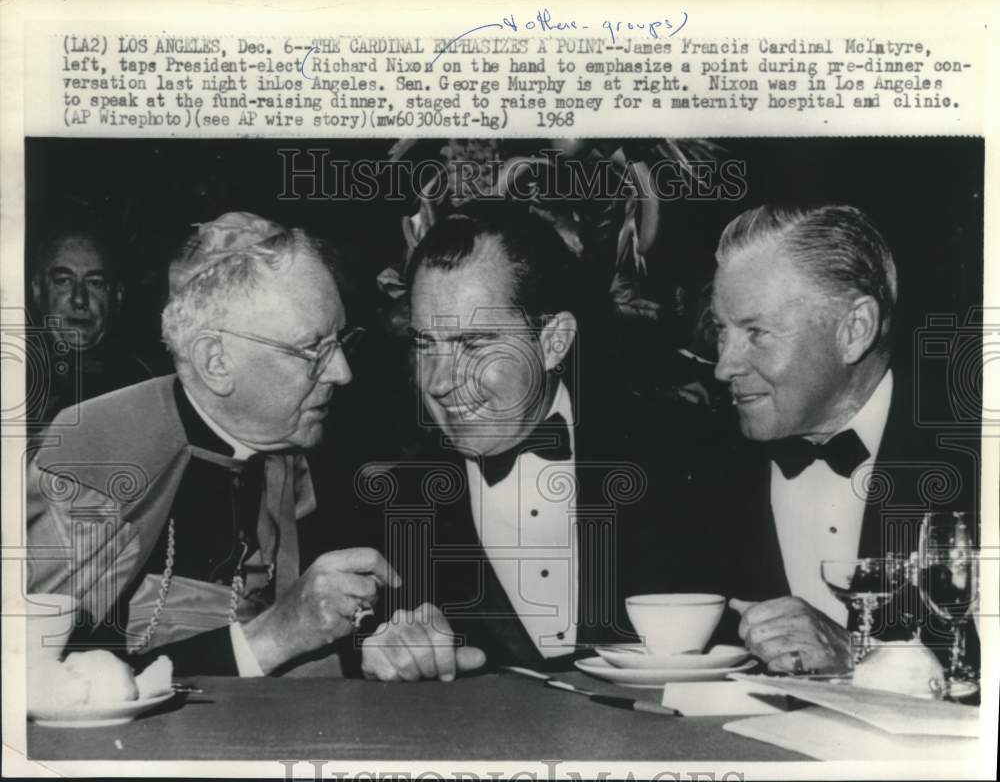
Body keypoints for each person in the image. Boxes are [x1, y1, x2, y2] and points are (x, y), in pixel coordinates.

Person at [27, 211, 399, 676]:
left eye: (340, 340)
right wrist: (272, 639)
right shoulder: (96, 454)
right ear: (216, 362)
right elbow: (38, 676)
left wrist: (387, 642)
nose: (343, 372)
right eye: (313, 350)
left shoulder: (295, 442)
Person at [360, 204, 700, 681]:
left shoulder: (686, 460)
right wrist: (385, 661)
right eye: (424, 344)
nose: (438, 382)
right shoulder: (385, 504)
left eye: (474, 344)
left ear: (553, 341)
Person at [702, 204, 978, 675]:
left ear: (854, 330)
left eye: (757, 332)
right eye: (721, 332)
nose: (724, 366)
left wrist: (863, 663)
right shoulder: (698, 467)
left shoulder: (974, 462)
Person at [28, 228, 153, 430]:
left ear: (117, 296)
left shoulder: (143, 383)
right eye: (63, 281)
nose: (79, 299)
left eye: (95, 283)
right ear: (37, 289)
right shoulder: (13, 371)